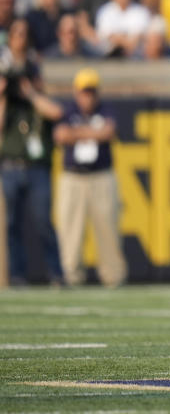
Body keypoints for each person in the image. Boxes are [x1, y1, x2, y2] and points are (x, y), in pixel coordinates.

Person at [0, 18, 63, 285]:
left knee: (43, 222)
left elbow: (55, 111)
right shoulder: (6, 74)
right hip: (11, 164)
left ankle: (56, 273)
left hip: (37, 165)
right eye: (16, 34)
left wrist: (31, 93)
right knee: (12, 225)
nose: (21, 39)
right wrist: (4, 94)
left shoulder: (34, 71)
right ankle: (17, 274)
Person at [52, 68, 126, 288]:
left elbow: (109, 132)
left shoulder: (106, 109)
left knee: (108, 229)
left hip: (101, 176)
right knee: (70, 230)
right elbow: (60, 135)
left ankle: (113, 277)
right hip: (73, 177)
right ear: (77, 92)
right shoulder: (68, 110)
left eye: (92, 92)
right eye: (85, 92)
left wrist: (77, 133)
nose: (89, 96)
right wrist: (92, 132)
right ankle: (72, 276)